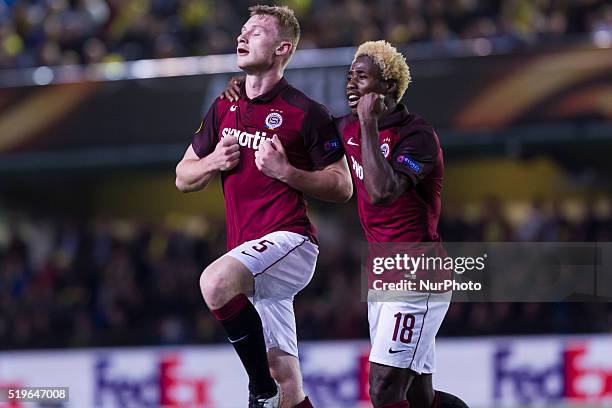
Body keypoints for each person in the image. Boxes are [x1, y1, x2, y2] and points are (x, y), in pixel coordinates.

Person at [223, 40, 469, 408]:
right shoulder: (345, 128)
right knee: (419, 397)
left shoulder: (417, 136)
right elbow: (295, 121)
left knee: (383, 389)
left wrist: (369, 124)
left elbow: (382, 190)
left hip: (419, 271)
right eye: (349, 76)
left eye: (362, 77)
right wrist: (247, 93)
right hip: (382, 272)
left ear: (387, 87)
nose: (351, 84)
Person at [175, 5, 352, 408]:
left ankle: (259, 391)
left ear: (281, 48)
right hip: (250, 258)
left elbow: (342, 186)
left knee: (215, 283)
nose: (242, 36)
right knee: (289, 384)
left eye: (256, 32)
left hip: (291, 241)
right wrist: (213, 162)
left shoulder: (306, 112)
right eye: (242, 30)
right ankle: (273, 389)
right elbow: (182, 176)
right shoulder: (225, 106)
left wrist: (287, 171)